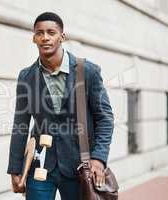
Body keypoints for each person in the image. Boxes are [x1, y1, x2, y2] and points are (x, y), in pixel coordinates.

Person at [6, 12, 114, 200]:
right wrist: (15, 168)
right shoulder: (26, 77)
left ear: (62, 36)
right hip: (40, 165)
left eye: (51, 32)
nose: (45, 37)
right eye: (40, 33)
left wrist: (98, 158)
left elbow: (105, 118)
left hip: (79, 166)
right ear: (34, 38)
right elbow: (20, 125)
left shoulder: (87, 71)